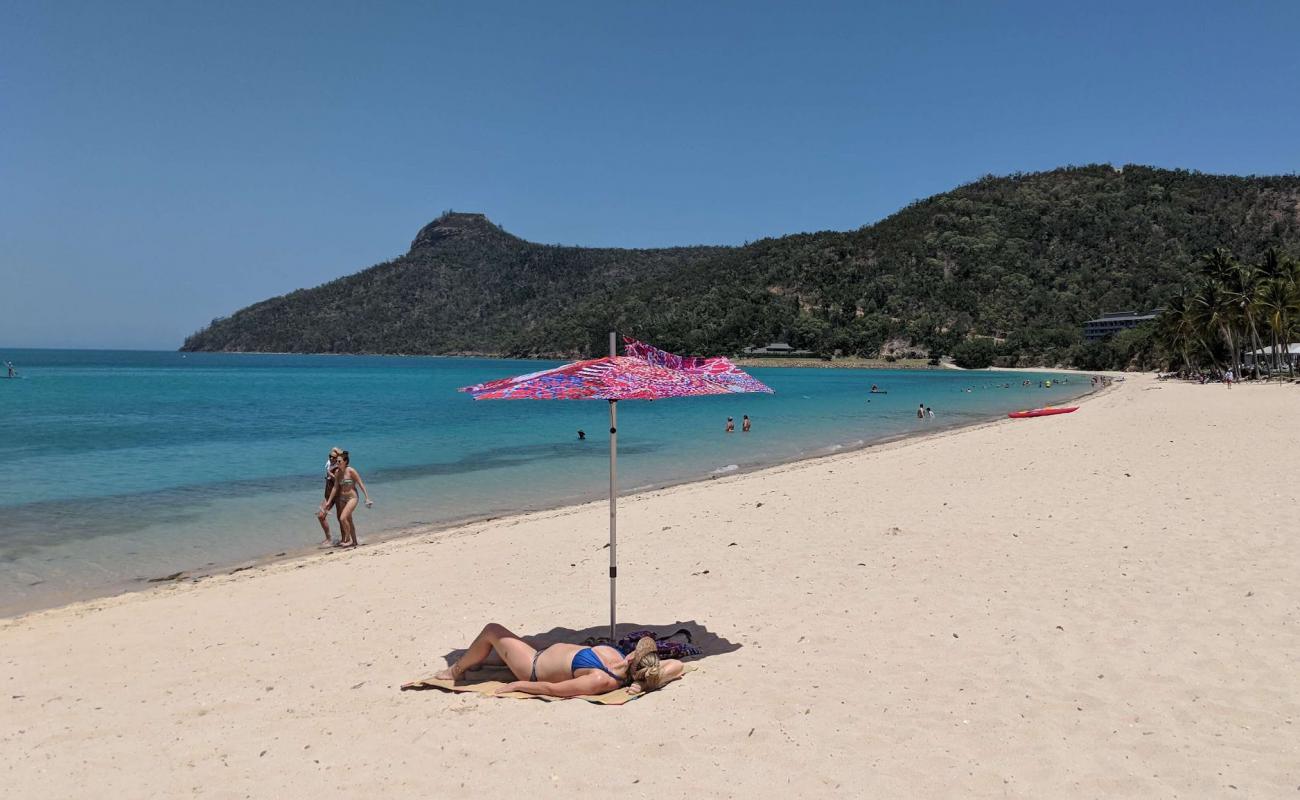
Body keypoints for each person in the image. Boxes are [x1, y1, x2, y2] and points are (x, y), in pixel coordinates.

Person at [434, 623, 685, 697]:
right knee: (493, 649)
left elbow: (553, 689)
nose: (634, 649)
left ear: (634, 663)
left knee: (492, 631)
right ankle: (478, 661)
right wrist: (645, 682)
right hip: (543, 652)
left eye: (638, 653)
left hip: (531, 666)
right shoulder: (623, 662)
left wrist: (518, 686)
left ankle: (455, 671)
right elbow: (677, 666)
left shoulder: (602, 679)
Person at [321, 450, 372, 547]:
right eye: (337, 461)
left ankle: (348, 539)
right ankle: (354, 542)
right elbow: (335, 488)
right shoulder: (337, 472)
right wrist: (329, 502)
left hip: (352, 498)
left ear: (345, 462)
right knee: (349, 520)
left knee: (342, 518)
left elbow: (360, 483)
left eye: (339, 461)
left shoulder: (351, 471)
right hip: (342, 499)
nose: (337, 463)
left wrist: (367, 498)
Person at [315, 447, 342, 545]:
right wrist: (335, 450)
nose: (331, 458)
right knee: (320, 516)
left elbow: (339, 483)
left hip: (336, 496)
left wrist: (331, 474)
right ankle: (329, 538)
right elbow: (334, 448)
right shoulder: (329, 463)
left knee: (341, 518)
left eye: (333, 457)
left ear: (337, 459)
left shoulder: (338, 467)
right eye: (330, 456)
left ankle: (346, 538)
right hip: (327, 495)